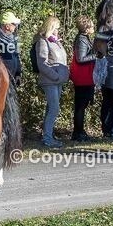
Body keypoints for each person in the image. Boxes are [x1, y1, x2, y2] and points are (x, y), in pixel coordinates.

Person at [34, 15, 69, 148]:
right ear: (51, 27)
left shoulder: (55, 41)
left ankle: (48, 135)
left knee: (51, 108)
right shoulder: (43, 41)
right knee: (54, 108)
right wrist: (55, 76)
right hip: (50, 80)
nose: (58, 31)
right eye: (56, 28)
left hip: (58, 80)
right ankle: (47, 138)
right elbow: (42, 64)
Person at [70, 16, 99, 142]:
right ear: (86, 28)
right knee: (80, 106)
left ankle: (80, 130)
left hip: (86, 76)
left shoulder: (85, 38)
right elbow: (80, 58)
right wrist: (96, 56)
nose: (93, 28)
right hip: (82, 77)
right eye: (91, 26)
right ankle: (77, 132)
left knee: (83, 105)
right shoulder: (81, 40)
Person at [0, 11, 23, 86]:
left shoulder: (14, 38)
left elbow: (16, 56)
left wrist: (18, 74)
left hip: (12, 79)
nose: (16, 26)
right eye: (14, 24)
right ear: (7, 26)